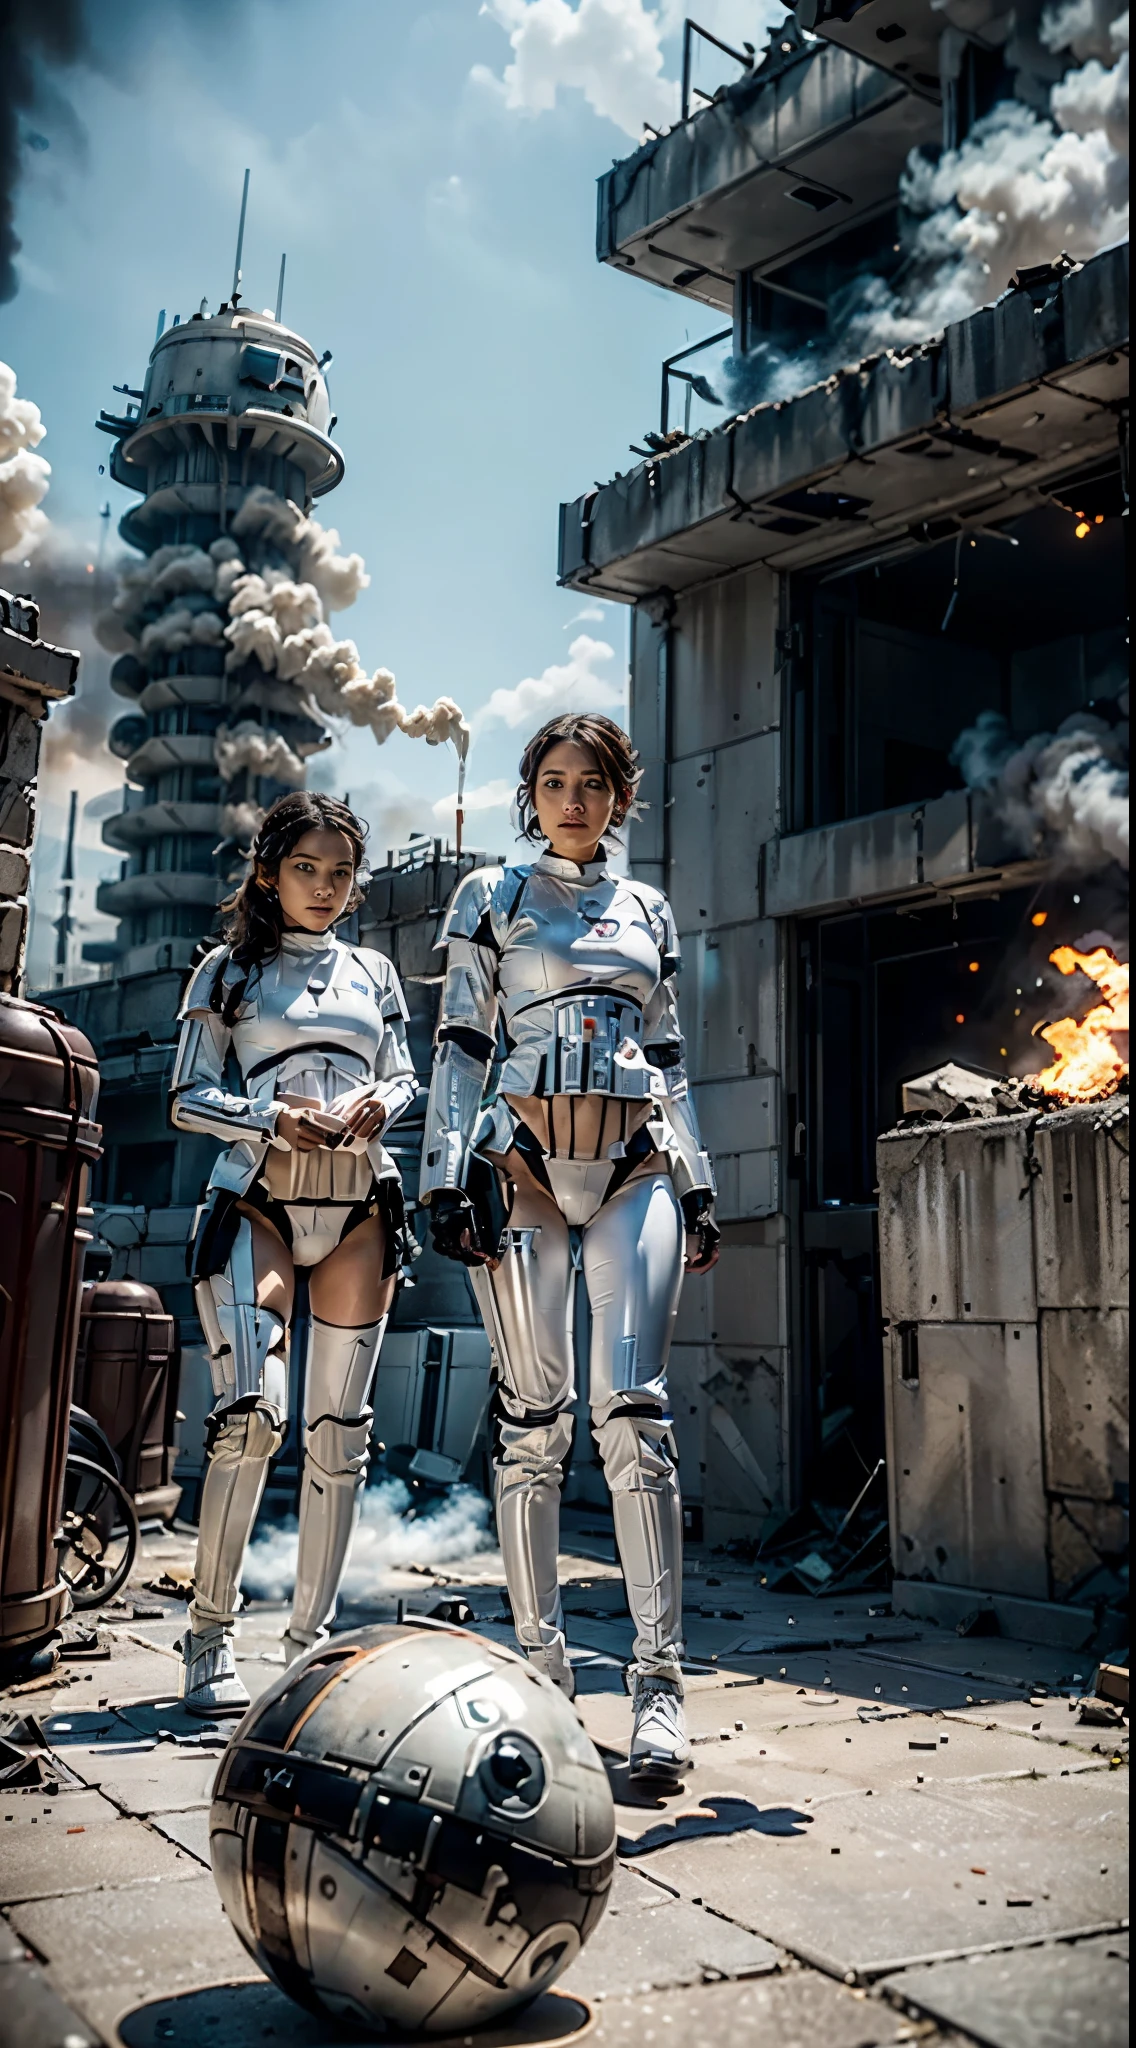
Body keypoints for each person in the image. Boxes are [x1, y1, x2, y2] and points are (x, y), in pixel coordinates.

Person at [419, 713, 719, 1783]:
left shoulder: (647, 909)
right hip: (520, 1168)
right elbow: (457, 1046)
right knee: (533, 1425)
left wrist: (698, 1178)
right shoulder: (488, 897)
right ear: (529, 793)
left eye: (591, 782)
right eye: (553, 781)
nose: (572, 800)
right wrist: (441, 1175)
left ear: (618, 796)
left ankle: (657, 1690)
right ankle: (543, 1673)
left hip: (636, 1163)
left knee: (634, 1416)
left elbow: (671, 1055)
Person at [169, 791, 417, 1715]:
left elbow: (404, 1070)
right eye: (305, 868)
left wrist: (381, 1104)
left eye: (340, 873)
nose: (323, 887)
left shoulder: (376, 974)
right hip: (258, 1200)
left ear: (357, 886)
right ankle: (207, 1635)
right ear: (269, 873)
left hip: (361, 1209)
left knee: (338, 1440)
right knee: (251, 1418)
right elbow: (185, 1098)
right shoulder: (227, 972)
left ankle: (309, 1649)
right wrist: (272, 1114)